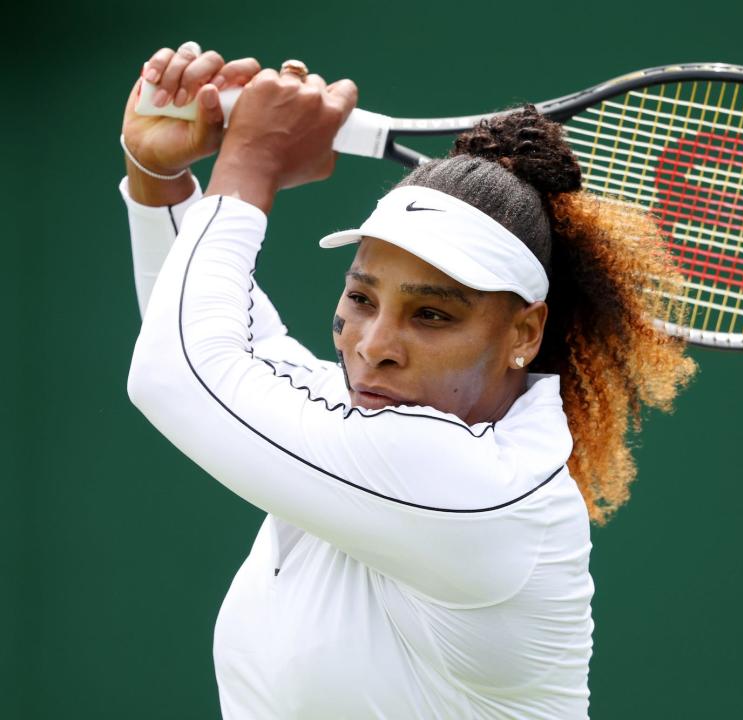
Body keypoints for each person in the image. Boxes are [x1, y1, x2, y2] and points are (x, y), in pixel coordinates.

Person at [121, 42, 695, 719]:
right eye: (362, 298)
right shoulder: (368, 423)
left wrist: (252, 161)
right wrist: (160, 182)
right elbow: (217, 337)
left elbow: (182, 371)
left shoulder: (479, 493)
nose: (373, 347)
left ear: (523, 334)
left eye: (430, 314)